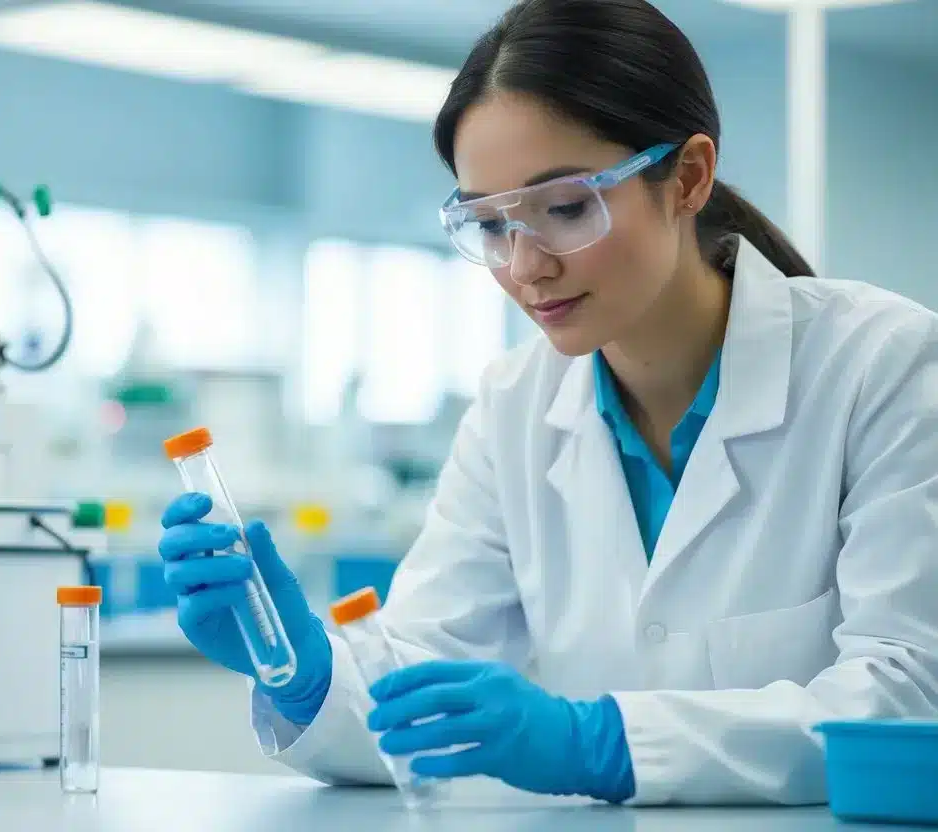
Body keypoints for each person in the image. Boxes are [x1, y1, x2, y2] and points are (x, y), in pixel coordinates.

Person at [156, 0, 938, 806]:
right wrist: (301, 671)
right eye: (490, 224)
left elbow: (905, 695)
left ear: (688, 177)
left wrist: (597, 742)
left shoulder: (878, 364)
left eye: (564, 208)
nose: (525, 267)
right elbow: (416, 689)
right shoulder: (513, 407)